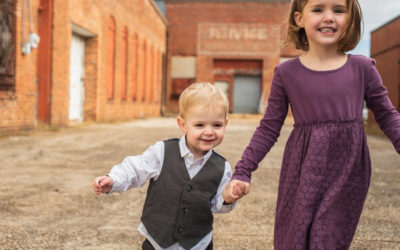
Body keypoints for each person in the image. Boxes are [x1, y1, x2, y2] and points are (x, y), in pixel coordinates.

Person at [223, 0, 400, 249]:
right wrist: (243, 170)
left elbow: (388, 115)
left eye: (338, 10)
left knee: (326, 238)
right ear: (299, 19)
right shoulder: (286, 73)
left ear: (349, 19)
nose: (329, 17)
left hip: (347, 171)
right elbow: (269, 127)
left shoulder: (362, 68)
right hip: (301, 170)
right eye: (318, 9)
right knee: (292, 239)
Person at [93, 82, 235, 250]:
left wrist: (227, 199)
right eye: (200, 125)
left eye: (216, 125)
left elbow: (218, 206)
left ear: (225, 124)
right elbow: (136, 167)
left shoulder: (222, 167)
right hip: (157, 242)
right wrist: (114, 179)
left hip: (198, 244)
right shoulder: (163, 152)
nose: (209, 131)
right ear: (183, 125)